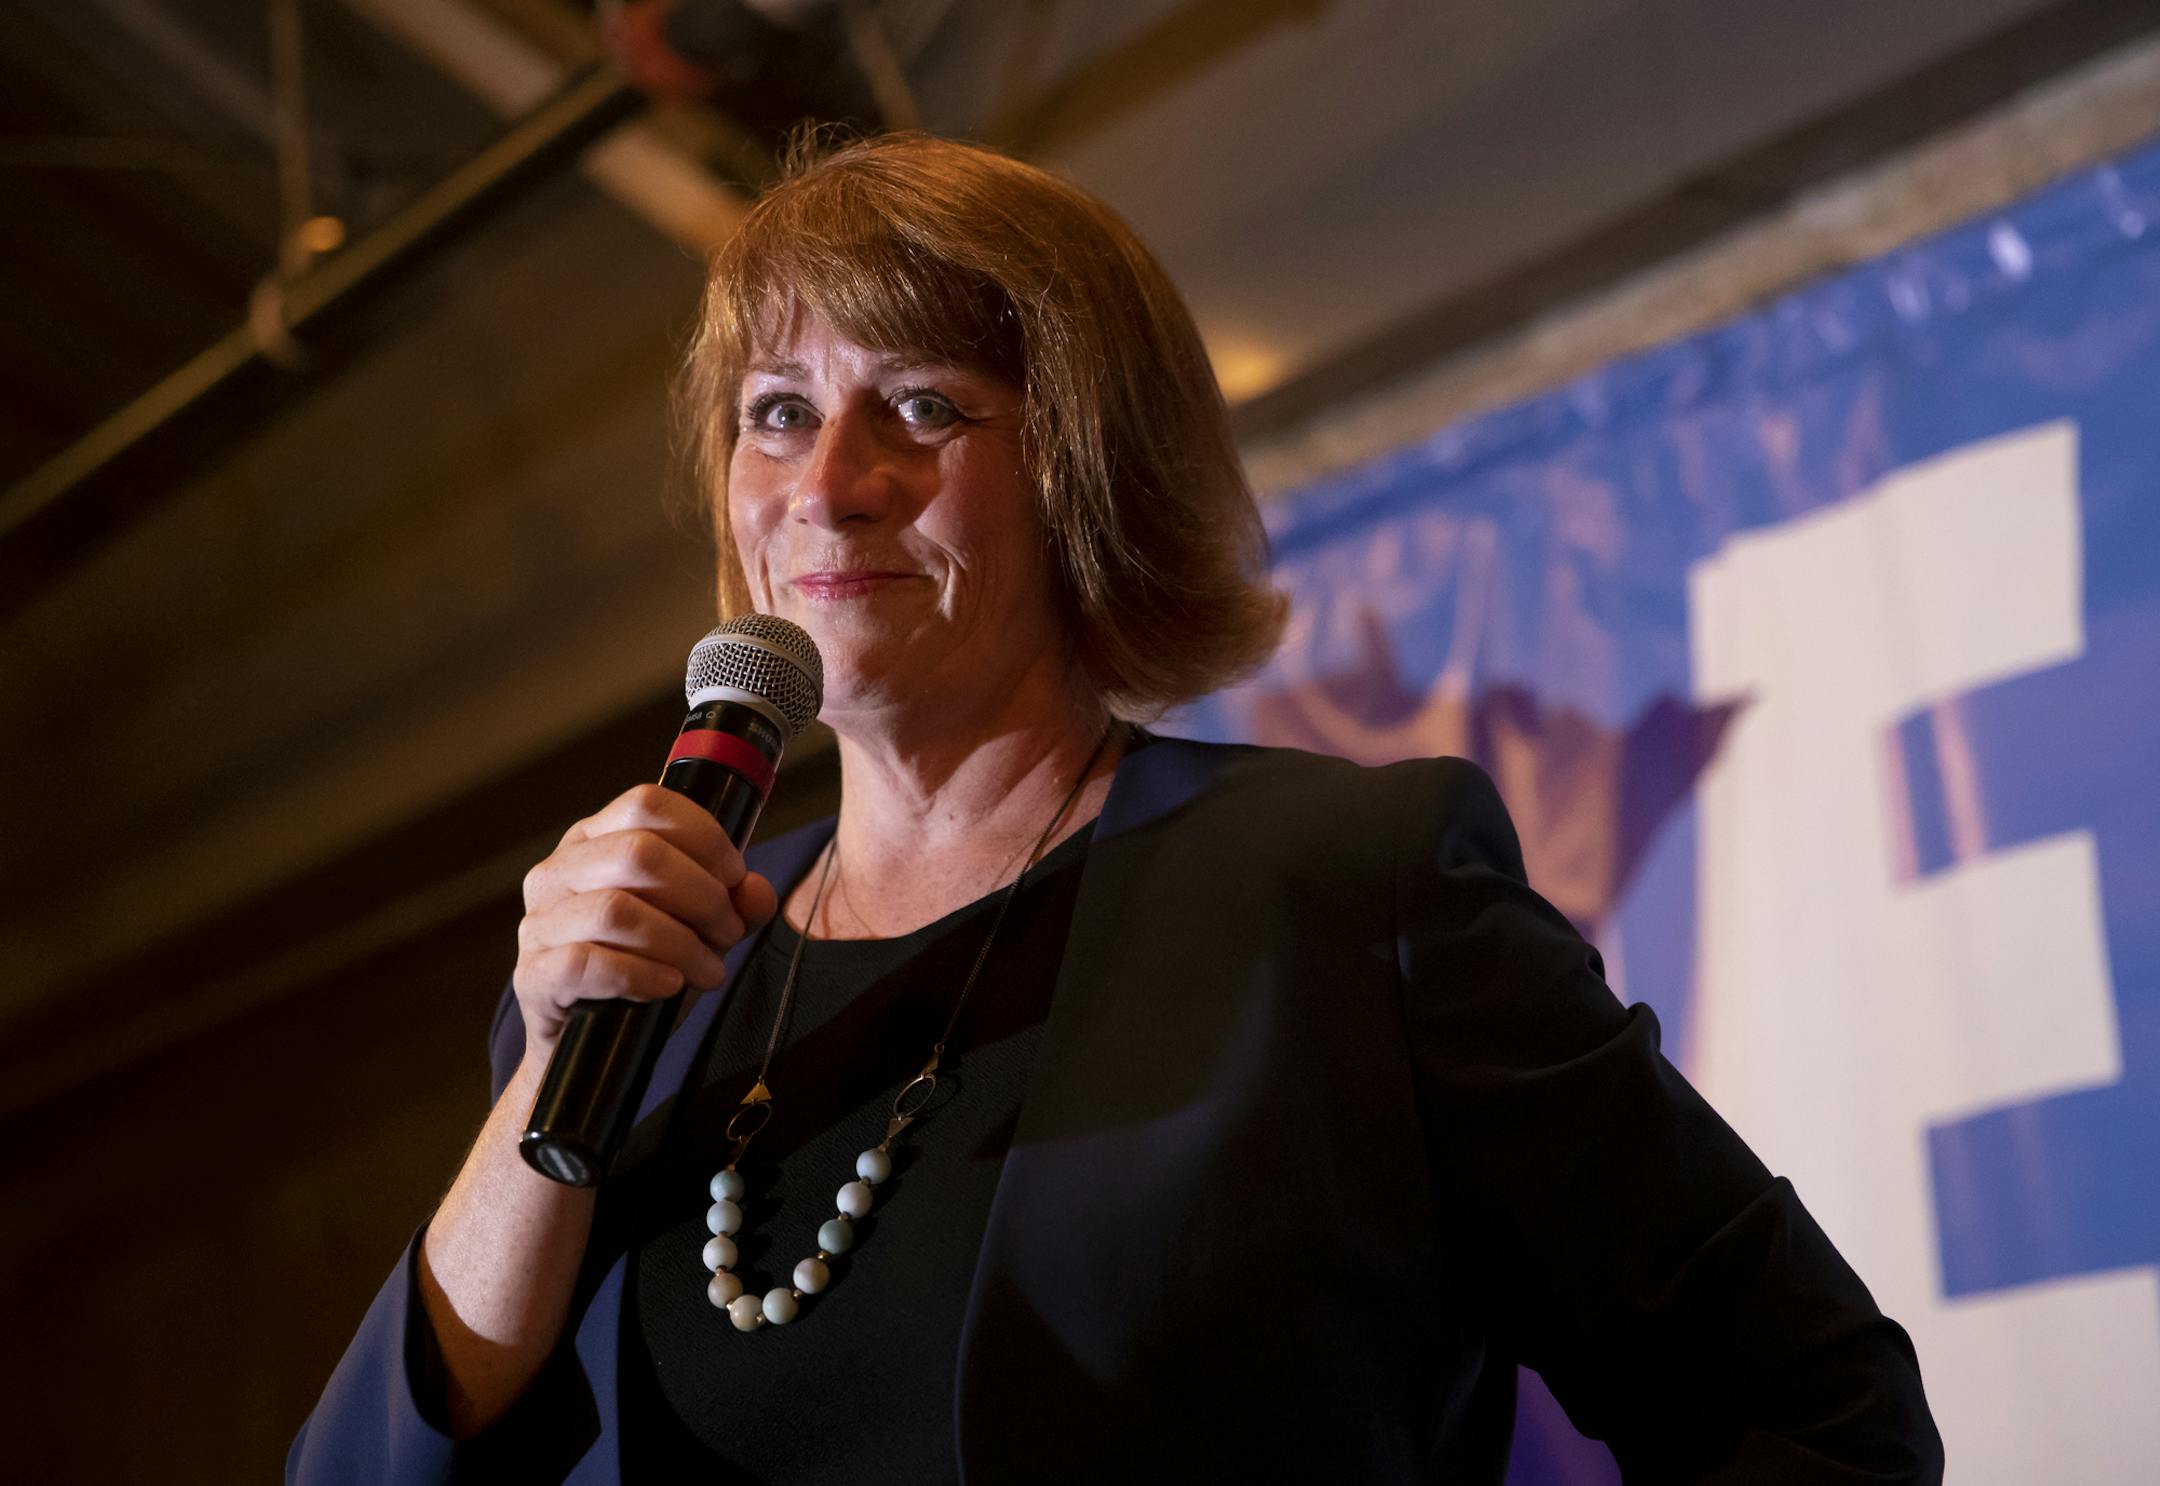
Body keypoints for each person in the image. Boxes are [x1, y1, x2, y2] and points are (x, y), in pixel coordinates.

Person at [290, 132, 1943, 1484]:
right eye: (777, 412)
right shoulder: (653, 954)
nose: (827, 480)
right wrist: (546, 1067)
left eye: (922, 407)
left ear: (1082, 466)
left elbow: (1811, 1409)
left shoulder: (1347, 892)